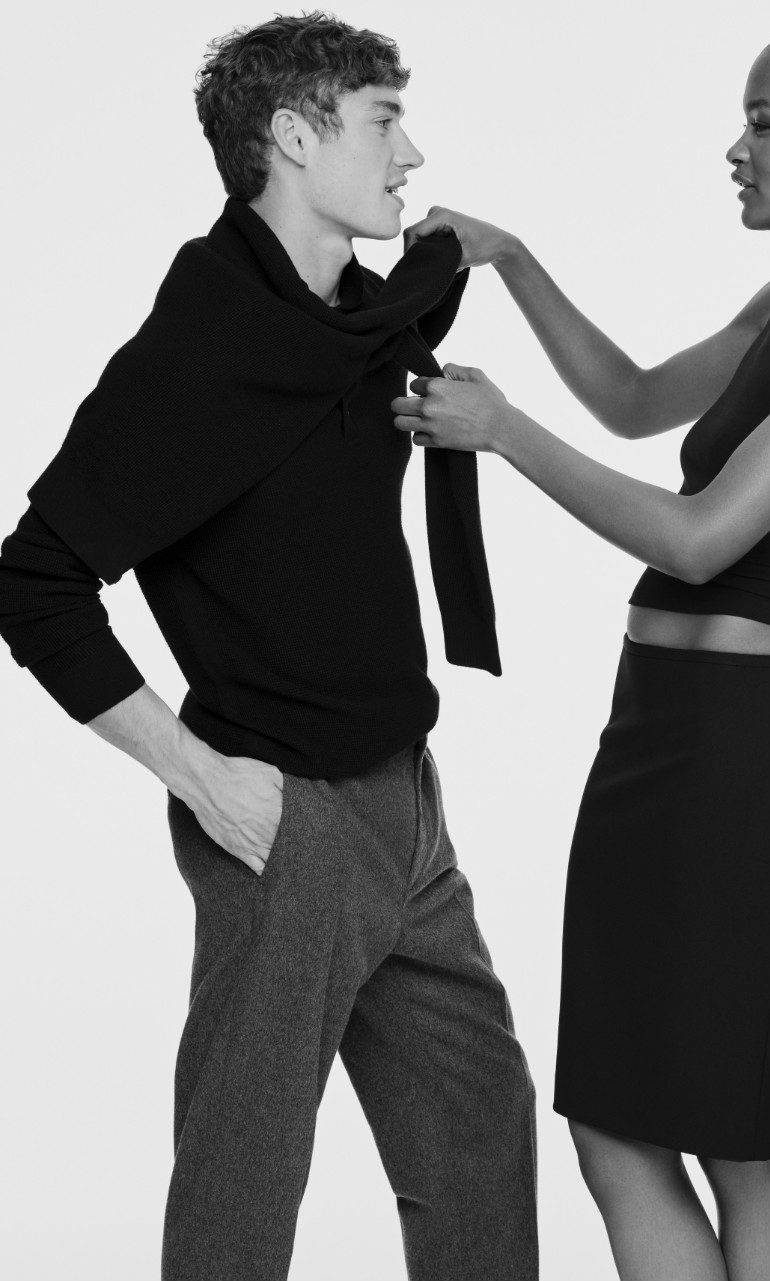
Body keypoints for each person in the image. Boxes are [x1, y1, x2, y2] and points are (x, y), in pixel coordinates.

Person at [391, 13, 770, 1281]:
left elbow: (703, 540)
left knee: (739, 1137)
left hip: (757, 750)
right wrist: (514, 259)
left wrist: (504, 435)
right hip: (659, 725)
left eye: (763, 121)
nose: (737, 149)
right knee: (614, 1119)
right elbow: (636, 400)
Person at [0, 12, 538, 1281]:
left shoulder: (351, 317)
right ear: (294, 137)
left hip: (409, 811)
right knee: (242, 1193)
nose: (412, 154)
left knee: (479, 1131)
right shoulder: (200, 354)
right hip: (282, 821)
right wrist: (204, 780)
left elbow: (420, 284)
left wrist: (467, 245)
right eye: (384, 122)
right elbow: (35, 580)